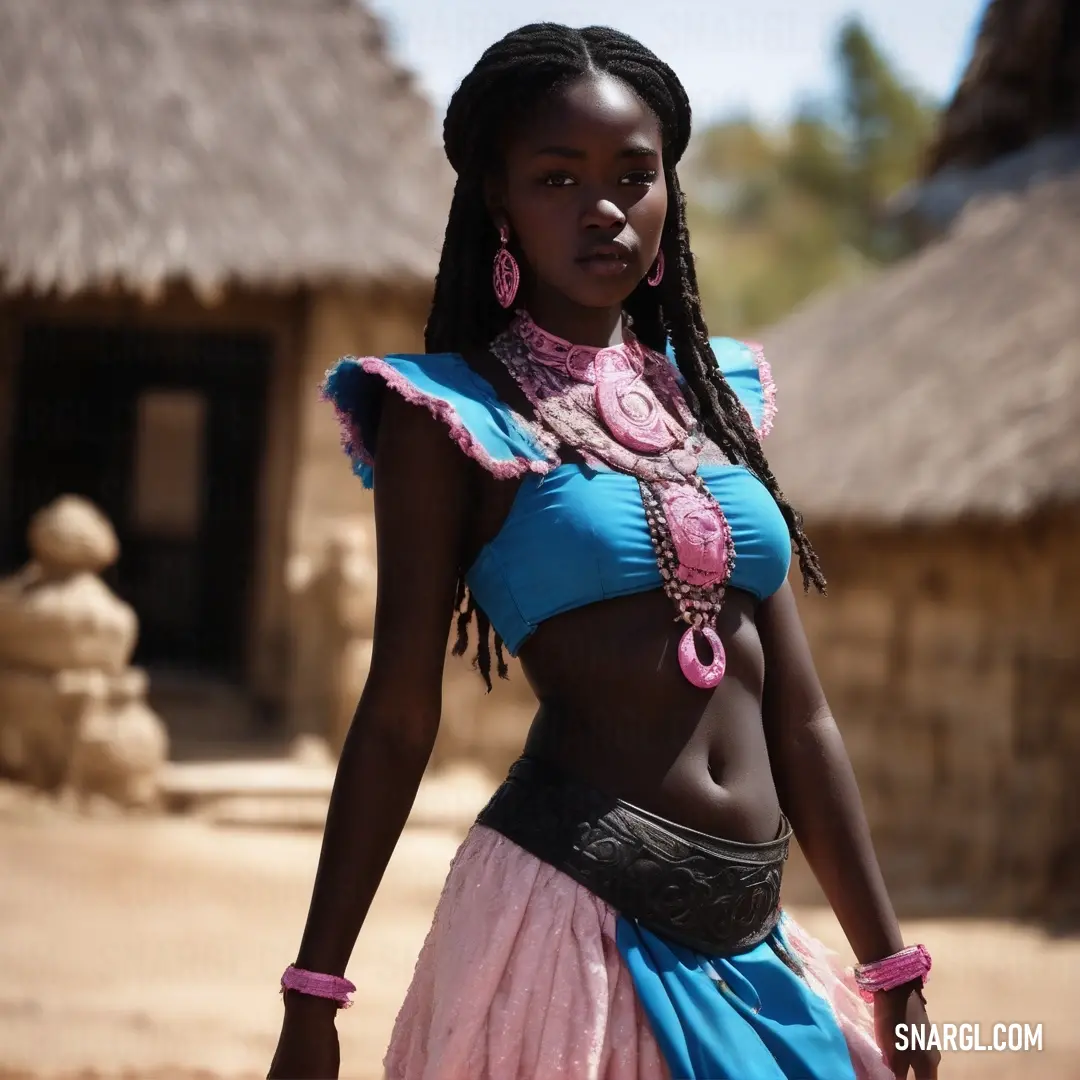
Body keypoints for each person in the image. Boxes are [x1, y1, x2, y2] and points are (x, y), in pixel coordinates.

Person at [268, 22, 940, 1080]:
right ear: (498, 199)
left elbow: (798, 713)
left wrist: (891, 964)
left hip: (754, 936)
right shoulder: (447, 414)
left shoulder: (718, 398)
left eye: (636, 175)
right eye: (557, 177)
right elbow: (399, 711)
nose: (606, 208)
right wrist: (316, 992)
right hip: (571, 925)